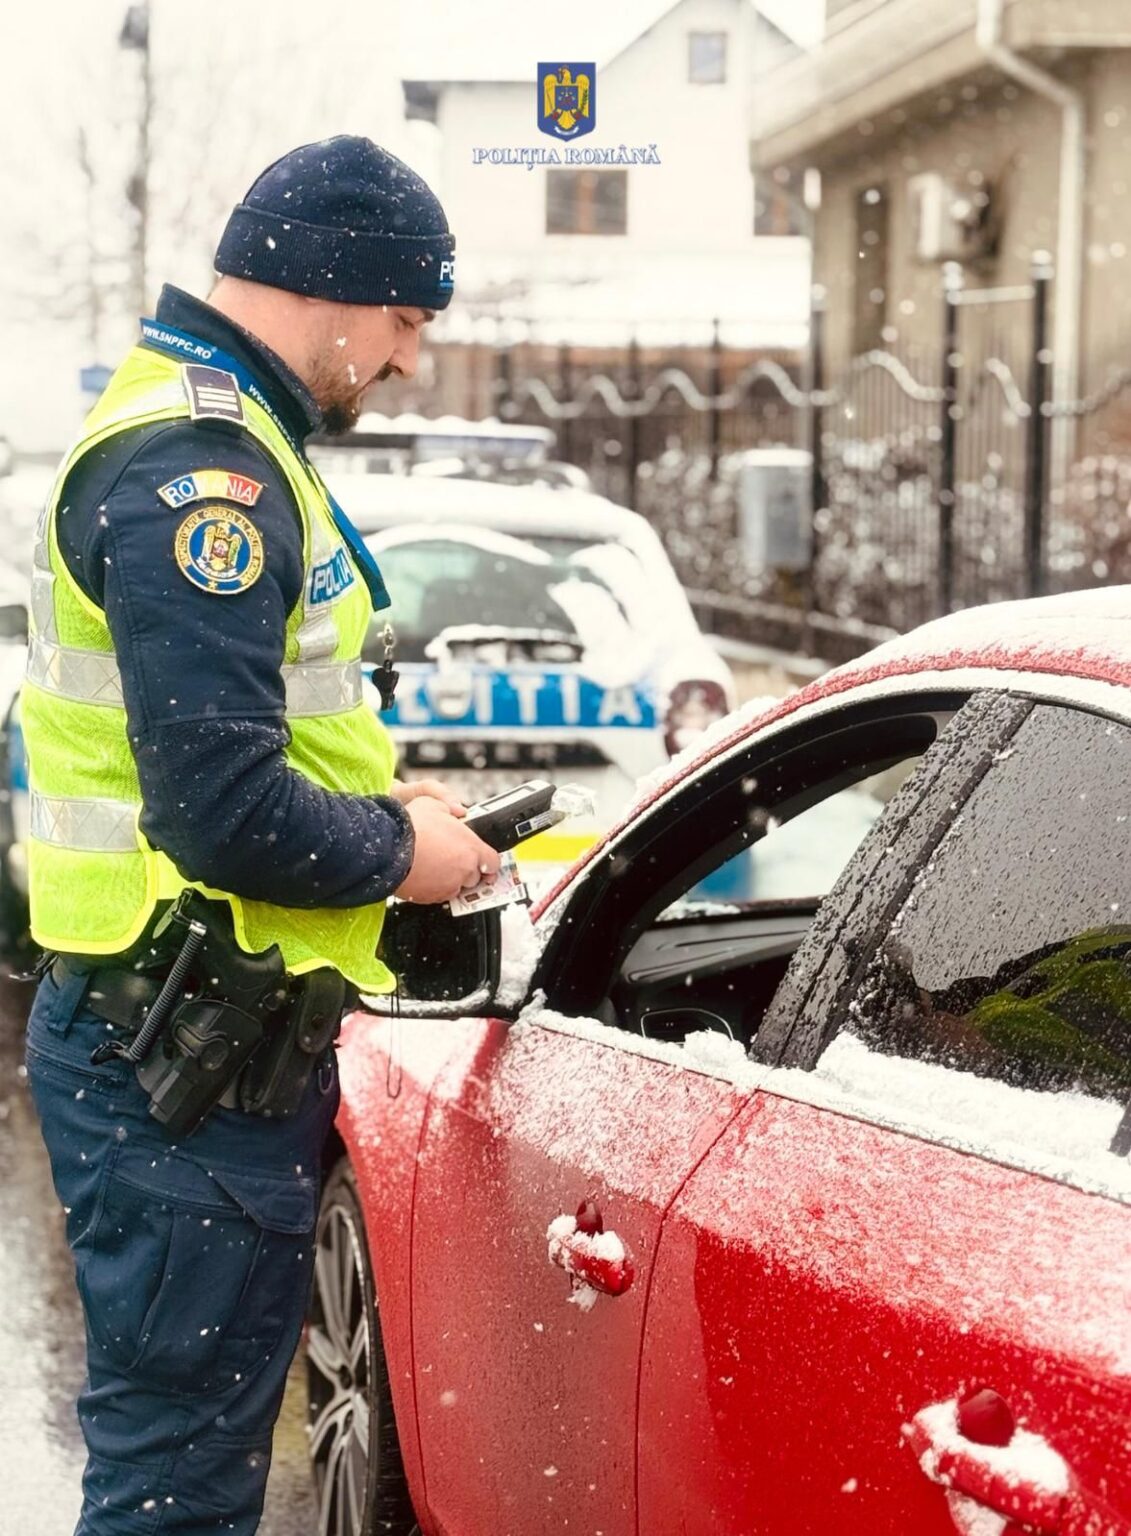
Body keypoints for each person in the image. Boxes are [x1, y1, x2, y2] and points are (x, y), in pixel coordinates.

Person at [22, 135, 499, 1534]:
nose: (408, 359)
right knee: (175, 1484)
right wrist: (410, 856)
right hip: (177, 1060)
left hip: (184, 1045)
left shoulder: (220, 434)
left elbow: (255, 747)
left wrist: (390, 809)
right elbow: (222, 804)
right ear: (332, 289)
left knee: (183, 1460)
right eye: (407, 322)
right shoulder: (203, 472)